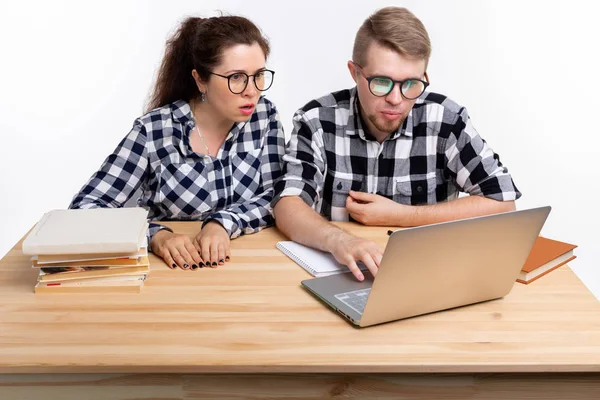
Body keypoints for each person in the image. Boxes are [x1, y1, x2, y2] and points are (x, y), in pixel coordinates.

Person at [272, 7, 521, 281]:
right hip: (341, 274)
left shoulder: (446, 120)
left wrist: (401, 215)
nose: (396, 99)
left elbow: (502, 202)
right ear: (355, 73)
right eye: (382, 82)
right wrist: (340, 241)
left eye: (411, 83)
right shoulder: (316, 120)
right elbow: (288, 205)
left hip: (428, 275)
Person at [69, 15, 285, 271]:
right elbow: (84, 209)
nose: (252, 90)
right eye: (236, 77)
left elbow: (278, 197)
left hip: (246, 268)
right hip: (169, 273)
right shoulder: (154, 130)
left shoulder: (265, 117)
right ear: (200, 80)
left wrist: (222, 223)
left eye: (259, 75)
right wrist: (155, 236)